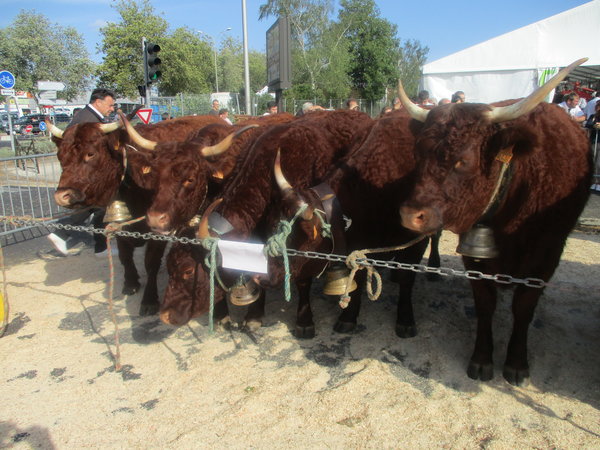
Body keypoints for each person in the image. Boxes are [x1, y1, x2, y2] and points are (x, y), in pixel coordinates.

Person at [41, 88, 117, 260]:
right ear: (98, 102)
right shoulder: (87, 120)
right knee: (91, 205)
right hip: (85, 174)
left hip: (88, 172)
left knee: (100, 208)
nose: (112, 108)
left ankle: (100, 247)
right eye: (110, 104)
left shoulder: (88, 117)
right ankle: (61, 232)